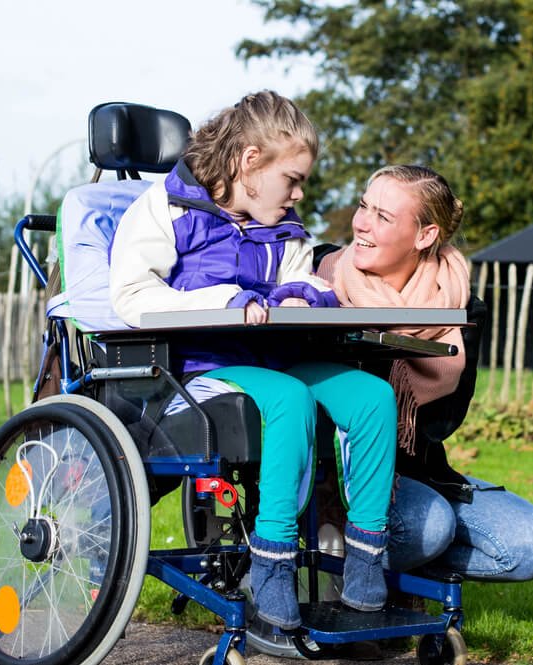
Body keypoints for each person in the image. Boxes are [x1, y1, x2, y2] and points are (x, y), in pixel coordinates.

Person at [108, 91, 396, 630]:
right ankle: (271, 567)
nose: (299, 192)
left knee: (372, 398)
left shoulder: (281, 221)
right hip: (197, 368)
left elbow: (303, 275)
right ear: (249, 163)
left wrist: (302, 295)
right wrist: (225, 300)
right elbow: (130, 298)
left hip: (277, 358)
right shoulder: (167, 210)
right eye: (292, 179)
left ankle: (365, 562)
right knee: (286, 399)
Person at [316, 165, 533, 582]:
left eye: (383, 216)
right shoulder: (320, 281)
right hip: (327, 475)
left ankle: (377, 568)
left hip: (413, 471)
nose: (362, 224)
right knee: (429, 528)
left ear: (425, 235)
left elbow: (439, 422)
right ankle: (323, 563)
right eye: (363, 206)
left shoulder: (461, 307)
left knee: (532, 546)